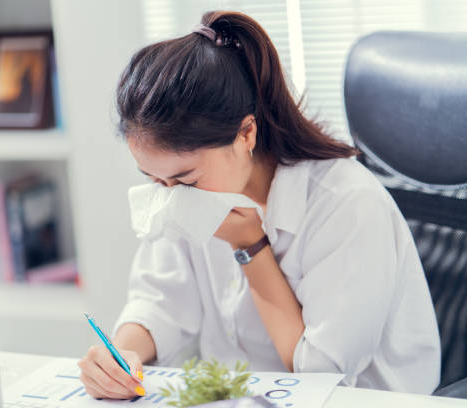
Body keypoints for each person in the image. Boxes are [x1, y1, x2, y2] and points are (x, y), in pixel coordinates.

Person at [77, 10, 441, 400]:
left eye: (185, 179)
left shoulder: (349, 205)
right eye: (154, 179)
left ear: (246, 133)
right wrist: (123, 355)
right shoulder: (182, 189)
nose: (171, 194)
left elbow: (320, 374)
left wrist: (249, 245)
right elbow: (159, 301)